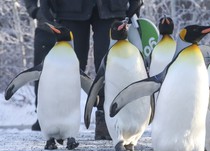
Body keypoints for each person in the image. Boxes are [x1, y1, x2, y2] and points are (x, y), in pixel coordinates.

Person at [40, 0, 143, 140]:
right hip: (68, 8)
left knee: (111, 63)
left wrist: (135, 4)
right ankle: (60, 123)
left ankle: (108, 119)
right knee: (70, 64)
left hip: (111, 7)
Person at [24, 0, 56, 131]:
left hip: (69, 25)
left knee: (64, 76)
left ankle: (61, 115)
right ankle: (41, 115)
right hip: (44, 29)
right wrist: (35, 11)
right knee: (41, 74)